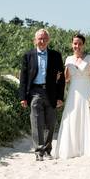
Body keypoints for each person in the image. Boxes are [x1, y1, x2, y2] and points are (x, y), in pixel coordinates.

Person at [55, 33, 90, 159]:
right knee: (72, 118)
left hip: (88, 91)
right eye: (75, 43)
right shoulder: (68, 59)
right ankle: (73, 149)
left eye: (80, 44)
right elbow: (67, 78)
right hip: (74, 93)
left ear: (83, 45)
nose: (77, 46)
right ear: (72, 44)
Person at [18, 28, 64, 161]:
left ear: (48, 40)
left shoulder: (56, 55)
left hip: (51, 93)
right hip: (34, 93)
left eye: (44, 38)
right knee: (36, 122)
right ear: (35, 40)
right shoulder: (28, 56)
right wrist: (23, 97)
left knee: (50, 123)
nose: (42, 41)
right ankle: (39, 151)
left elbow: (60, 79)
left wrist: (60, 97)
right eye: (39, 39)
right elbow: (24, 78)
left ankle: (48, 151)